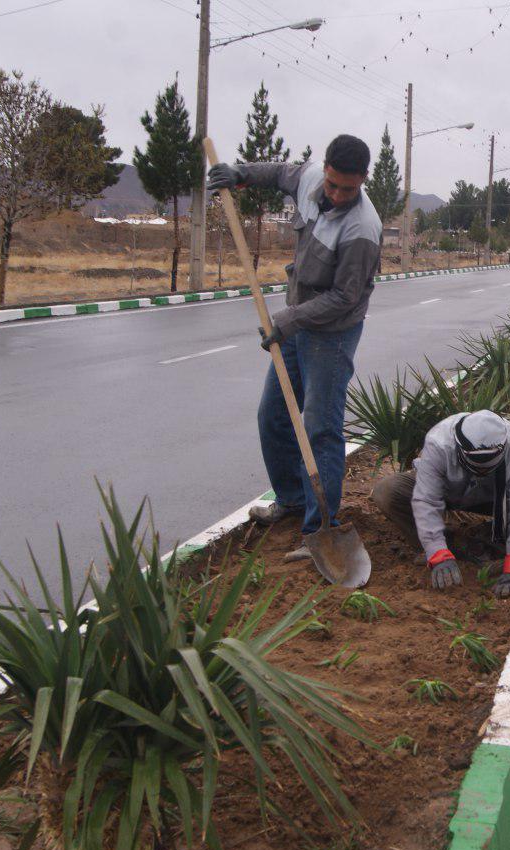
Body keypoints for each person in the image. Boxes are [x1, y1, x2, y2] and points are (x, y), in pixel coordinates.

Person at [206, 135, 381, 562]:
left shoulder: (362, 229)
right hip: (298, 319)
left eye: (349, 189)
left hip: (332, 332)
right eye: (333, 185)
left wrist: (285, 321)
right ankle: (291, 499)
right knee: (274, 415)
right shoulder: (308, 181)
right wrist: (241, 174)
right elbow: (281, 172)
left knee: (321, 427)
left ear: (362, 182)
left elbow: (344, 298)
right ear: (325, 170)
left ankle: (320, 525)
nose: (338, 195)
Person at [370, 410, 510, 598]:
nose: (481, 470)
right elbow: (427, 501)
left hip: (492, 495)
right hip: (446, 492)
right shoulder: (439, 442)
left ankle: (488, 539)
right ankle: (445, 544)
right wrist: (437, 554)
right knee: (387, 491)